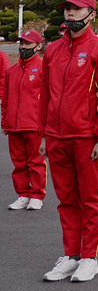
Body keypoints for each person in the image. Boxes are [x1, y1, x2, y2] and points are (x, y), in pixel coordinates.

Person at [39, 0, 98, 282]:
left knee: (90, 198)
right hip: (57, 136)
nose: (71, 14)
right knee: (65, 199)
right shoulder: (53, 50)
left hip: (86, 137)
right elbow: (45, 95)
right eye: (68, 9)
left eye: (77, 9)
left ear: (92, 14)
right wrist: (44, 134)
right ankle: (71, 255)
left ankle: (89, 257)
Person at [3, 30, 47, 210]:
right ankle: (22, 194)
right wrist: (5, 120)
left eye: (27, 44)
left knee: (35, 161)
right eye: (21, 44)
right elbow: (5, 98)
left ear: (38, 46)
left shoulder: (44, 68)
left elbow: (48, 98)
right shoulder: (11, 71)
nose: (23, 47)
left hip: (34, 124)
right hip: (14, 125)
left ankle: (37, 195)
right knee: (19, 163)